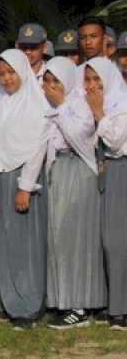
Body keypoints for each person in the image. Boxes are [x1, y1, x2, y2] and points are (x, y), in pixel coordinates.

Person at [42, 56, 106, 329]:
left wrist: (62, 105)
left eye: (57, 81)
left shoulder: (80, 105)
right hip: (57, 172)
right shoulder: (44, 104)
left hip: (79, 172)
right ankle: (63, 300)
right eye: (46, 81)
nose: (51, 86)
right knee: (59, 239)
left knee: (78, 239)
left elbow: (80, 138)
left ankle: (81, 304)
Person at [0, 49, 50, 331]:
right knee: (5, 243)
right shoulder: (1, 102)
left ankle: (29, 305)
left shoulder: (36, 104)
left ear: (23, 71)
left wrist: (25, 186)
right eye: (1, 74)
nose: (6, 79)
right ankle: (11, 301)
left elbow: (38, 146)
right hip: (2, 175)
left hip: (27, 180)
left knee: (26, 245)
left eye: (11, 72)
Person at [83, 57, 127, 330]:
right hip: (107, 171)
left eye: (98, 79)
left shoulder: (121, 104)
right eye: (88, 80)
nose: (92, 86)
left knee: (117, 241)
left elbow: (115, 141)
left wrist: (99, 113)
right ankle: (116, 305)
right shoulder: (89, 104)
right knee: (110, 241)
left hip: (121, 166)